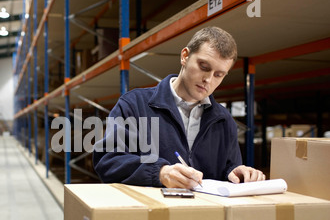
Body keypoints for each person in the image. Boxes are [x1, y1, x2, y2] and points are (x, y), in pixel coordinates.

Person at [93, 26, 265, 189]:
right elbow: (108, 161)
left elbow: (228, 166)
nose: (208, 79)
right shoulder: (134, 105)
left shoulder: (223, 119)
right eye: (203, 67)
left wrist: (234, 173)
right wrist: (159, 173)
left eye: (218, 75)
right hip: (150, 214)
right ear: (184, 56)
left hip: (204, 215)